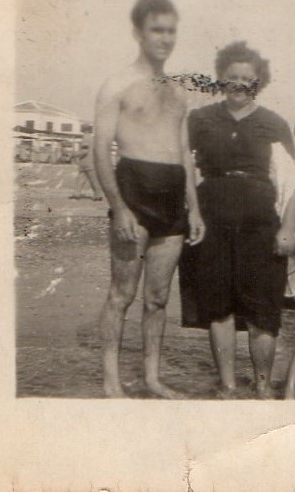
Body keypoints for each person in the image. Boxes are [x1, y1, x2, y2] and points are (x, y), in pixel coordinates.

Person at [179, 41, 295, 399]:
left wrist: (288, 228)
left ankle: (262, 386)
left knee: (263, 308)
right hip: (211, 222)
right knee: (218, 307)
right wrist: (193, 212)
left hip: (260, 226)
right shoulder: (200, 119)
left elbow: (294, 182)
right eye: (231, 76)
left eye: (247, 78)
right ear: (220, 78)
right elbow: (184, 167)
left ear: (258, 81)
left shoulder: (273, 123)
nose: (239, 83)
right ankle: (228, 385)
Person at [94, 0, 204, 398]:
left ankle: (152, 378)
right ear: (138, 33)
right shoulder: (117, 84)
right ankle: (111, 383)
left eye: (170, 30)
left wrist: (195, 208)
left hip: (173, 200)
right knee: (122, 294)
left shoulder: (178, 92)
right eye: (157, 30)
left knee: (157, 298)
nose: (165, 38)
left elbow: (184, 153)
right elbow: (100, 150)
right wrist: (119, 207)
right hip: (134, 194)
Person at [71, 127, 104, 200]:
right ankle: (77, 194)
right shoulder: (92, 138)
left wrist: (74, 155)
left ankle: (77, 194)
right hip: (90, 162)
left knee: (87, 179)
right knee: (88, 179)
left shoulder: (85, 138)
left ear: (85, 129)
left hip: (86, 162)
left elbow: (84, 151)